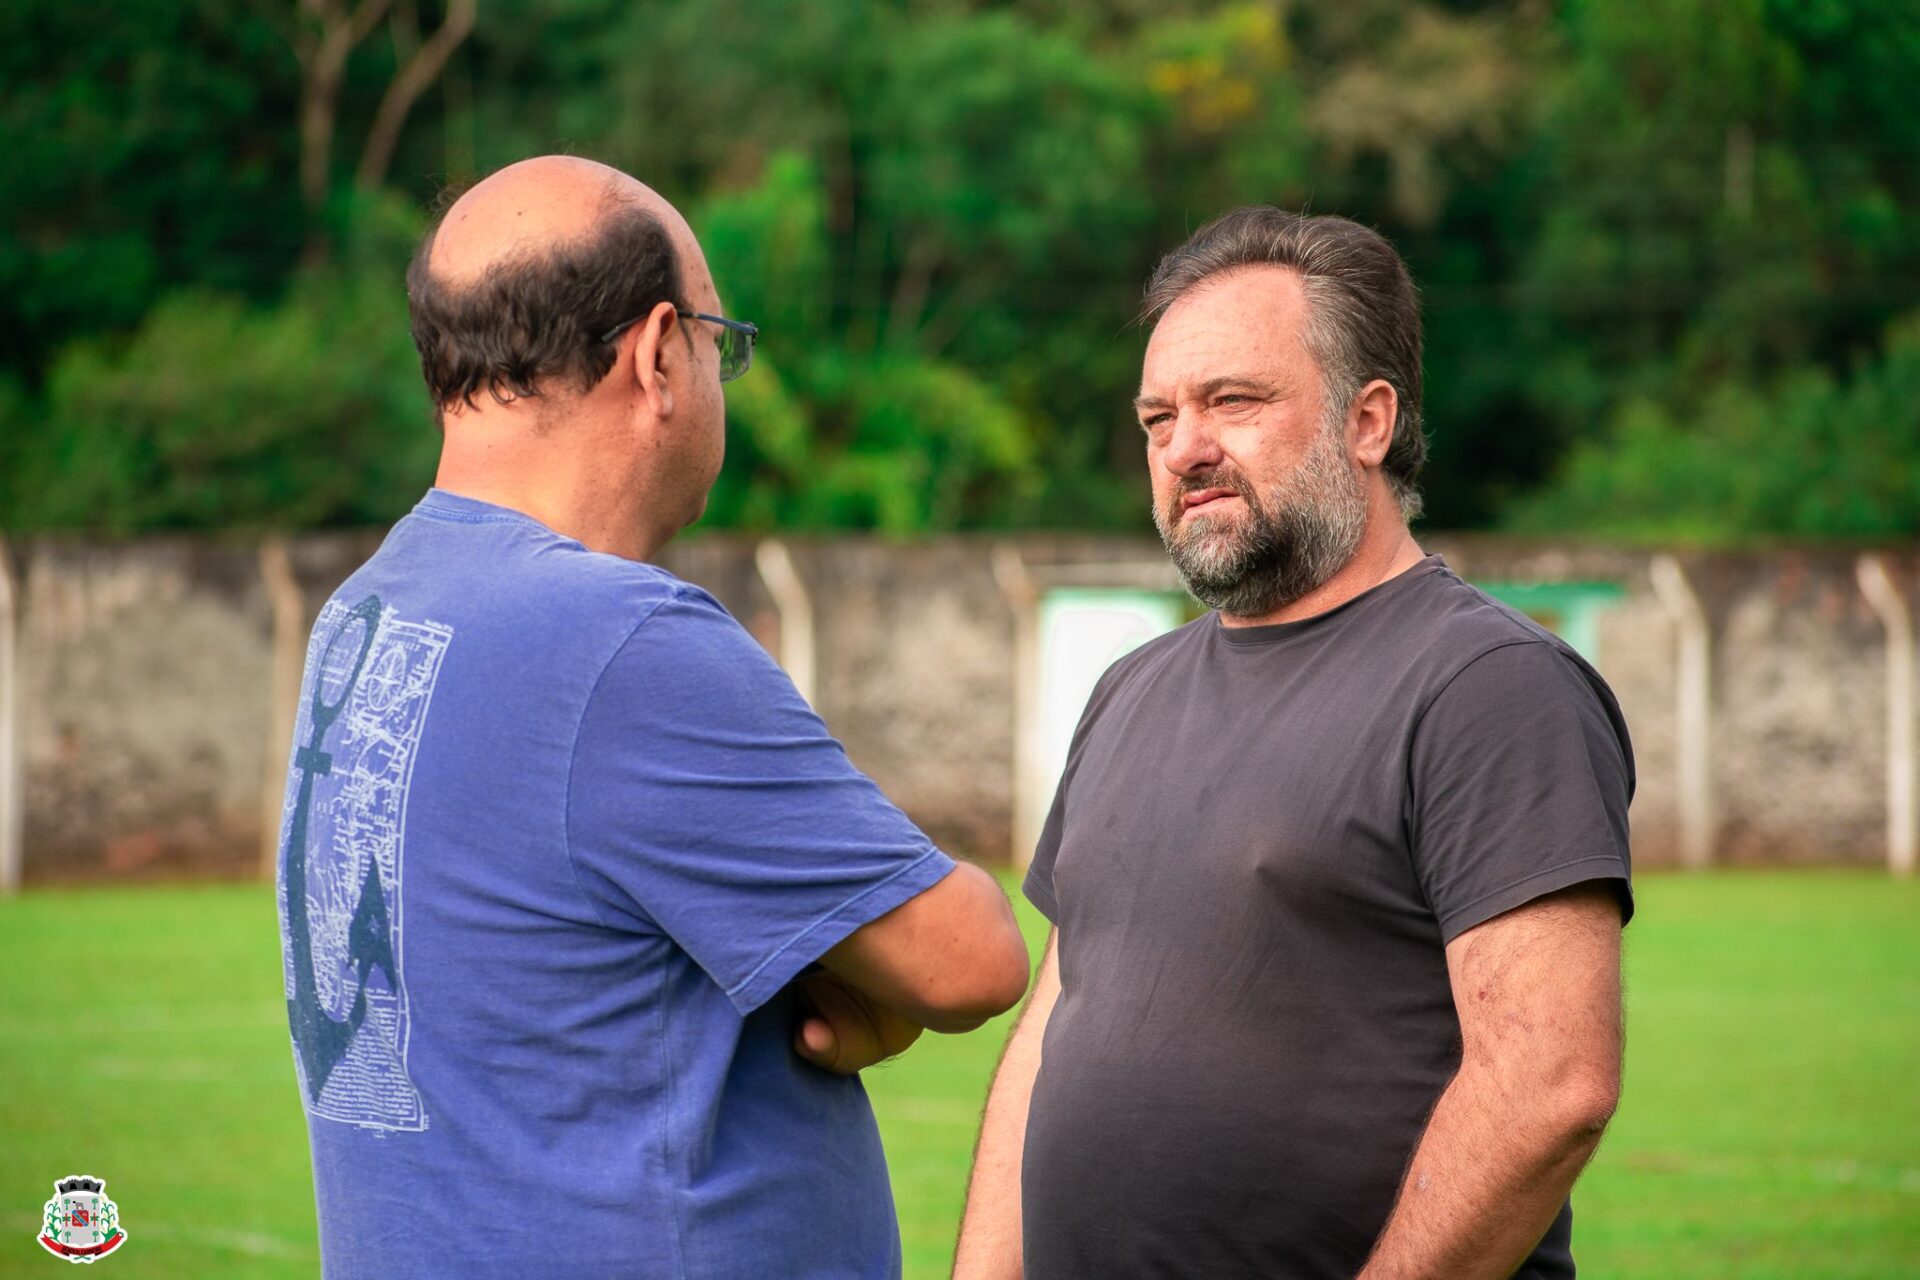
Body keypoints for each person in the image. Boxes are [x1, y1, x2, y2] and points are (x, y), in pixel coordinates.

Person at [273, 155, 1030, 1280]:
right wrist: (878, 991)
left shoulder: (370, 609)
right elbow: (971, 958)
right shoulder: (617, 637)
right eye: (721, 339)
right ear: (660, 352)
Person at [954, 208, 1634, 1280]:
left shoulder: (1487, 684)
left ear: (1369, 421)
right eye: (1157, 417)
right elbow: (1051, 1029)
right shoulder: (1128, 692)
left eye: (1234, 399)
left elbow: (1552, 1083)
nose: (1187, 447)